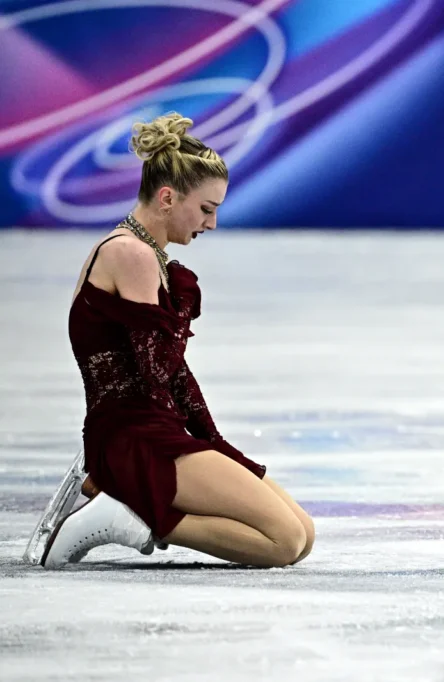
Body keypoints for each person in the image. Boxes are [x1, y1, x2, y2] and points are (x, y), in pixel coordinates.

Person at [41, 113, 314, 569]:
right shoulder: (130, 254)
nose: (212, 223)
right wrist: (181, 305)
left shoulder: (149, 257)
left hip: (156, 430)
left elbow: (175, 374)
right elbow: (156, 372)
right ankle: (128, 514)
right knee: (282, 542)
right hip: (132, 439)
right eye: (206, 209)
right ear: (167, 197)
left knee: (303, 535)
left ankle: (134, 507)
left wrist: (215, 442)